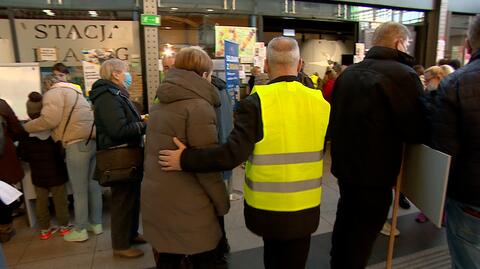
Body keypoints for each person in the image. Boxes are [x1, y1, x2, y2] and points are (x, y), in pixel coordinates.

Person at [159, 37, 331, 269]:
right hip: (306, 209)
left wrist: (185, 158)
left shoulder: (255, 103)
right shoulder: (320, 103)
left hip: (267, 210)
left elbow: (231, 155)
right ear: (300, 64)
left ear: (267, 65)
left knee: (273, 258)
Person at [328, 22, 426, 269]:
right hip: (376, 173)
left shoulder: (348, 74)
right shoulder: (404, 76)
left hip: (345, 168)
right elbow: (415, 130)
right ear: (398, 43)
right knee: (363, 235)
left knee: (345, 224)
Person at [142, 47, 229, 268]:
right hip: (189, 204)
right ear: (204, 74)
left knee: (169, 257)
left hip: (159, 198)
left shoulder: (161, 102)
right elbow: (206, 165)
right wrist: (222, 201)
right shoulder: (199, 106)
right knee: (206, 259)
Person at [23, 75, 102, 243]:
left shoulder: (54, 93)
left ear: (48, 86)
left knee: (79, 191)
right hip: (91, 141)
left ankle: (80, 229)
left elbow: (49, 120)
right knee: (93, 186)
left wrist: (26, 127)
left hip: (75, 144)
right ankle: (96, 224)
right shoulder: (77, 93)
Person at [430, 15, 480, 269]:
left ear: (469, 45)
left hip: (470, 200)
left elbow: (444, 151)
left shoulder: (457, 82)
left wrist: (434, 202)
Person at [89, 58, 146, 258]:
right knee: (122, 201)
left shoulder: (115, 94)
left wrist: (140, 121)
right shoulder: (108, 97)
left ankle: (131, 234)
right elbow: (118, 130)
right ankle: (121, 245)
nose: (128, 75)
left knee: (132, 198)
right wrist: (144, 125)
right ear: (115, 74)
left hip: (128, 156)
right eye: (126, 71)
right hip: (119, 157)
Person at [19, 92, 71, 240]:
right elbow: (61, 152)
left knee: (41, 203)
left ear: (28, 112)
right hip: (57, 173)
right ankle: (64, 228)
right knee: (60, 202)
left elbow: (24, 155)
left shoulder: (25, 131)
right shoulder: (54, 129)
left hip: (38, 175)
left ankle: (45, 230)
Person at [0, 99, 25, 242]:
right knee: (5, 194)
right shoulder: (1, 105)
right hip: (3, 157)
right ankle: (5, 229)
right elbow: (17, 129)